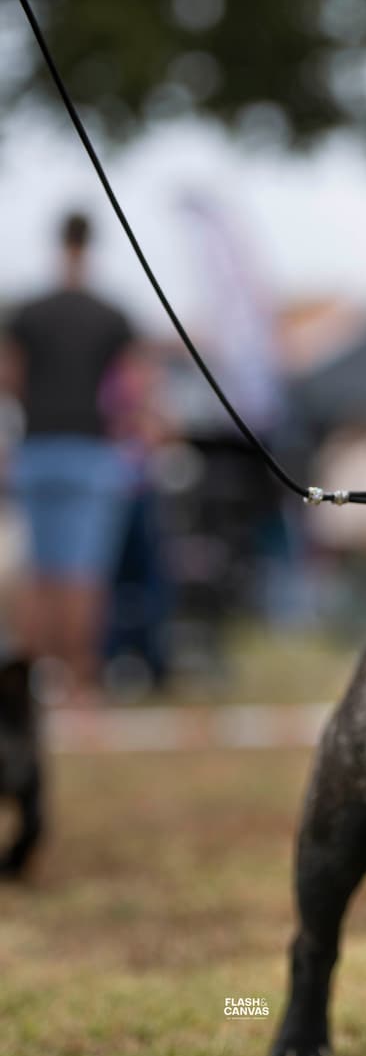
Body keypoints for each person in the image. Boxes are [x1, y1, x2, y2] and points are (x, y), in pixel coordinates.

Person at [2, 212, 138, 699]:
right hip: (91, 452)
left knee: (39, 575)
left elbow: (10, 378)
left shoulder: (29, 311)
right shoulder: (110, 314)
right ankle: (81, 685)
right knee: (84, 577)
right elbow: (133, 389)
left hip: (36, 449)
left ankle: (29, 690)